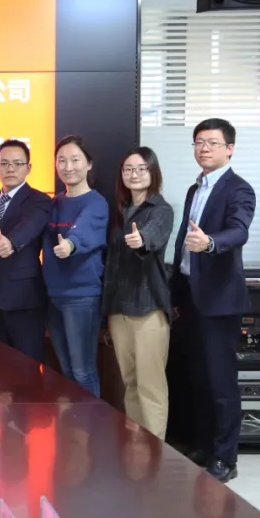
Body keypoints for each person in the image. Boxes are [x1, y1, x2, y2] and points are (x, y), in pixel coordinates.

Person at [171, 118, 255, 483]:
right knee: (199, 379)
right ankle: (205, 446)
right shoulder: (196, 188)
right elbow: (183, 241)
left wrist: (210, 243)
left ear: (229, 149)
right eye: (198, 142)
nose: (204, 148)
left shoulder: (239, 188)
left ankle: (226, 458)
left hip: (219, 301)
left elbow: (239, 230)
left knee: (221, 383)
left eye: (212, 142)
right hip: (190, 295)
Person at [101, 147, 174, 439]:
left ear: (153, 173)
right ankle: (137, 446)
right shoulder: (119, 211)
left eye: (142, 169)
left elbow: (153, 235)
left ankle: (156, 451)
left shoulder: (161, 210)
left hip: (148, 308)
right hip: (118, 308)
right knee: (130, 382)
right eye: (129, 169)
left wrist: (141, 239)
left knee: (150, 385)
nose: (134, 174)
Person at [43, 135, 108, 397]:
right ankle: (75, 422)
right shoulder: (54, 202)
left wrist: (69, 245)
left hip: (81, 297)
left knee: (83, 372)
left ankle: (91, 422)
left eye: (75, 160)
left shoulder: (96, 202)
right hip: (53, 296)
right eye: (62, 160)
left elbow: (84, 231)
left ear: (89, 164)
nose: (68, 167)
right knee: (67, 371)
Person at [0, 139, 52, 361]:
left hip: (24, 299)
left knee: (27, 367)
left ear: (28, 168)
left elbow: (31, 225)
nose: (10, 168)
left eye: (17, 163)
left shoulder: (39, 200)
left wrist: (11, 242)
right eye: (5, 163)